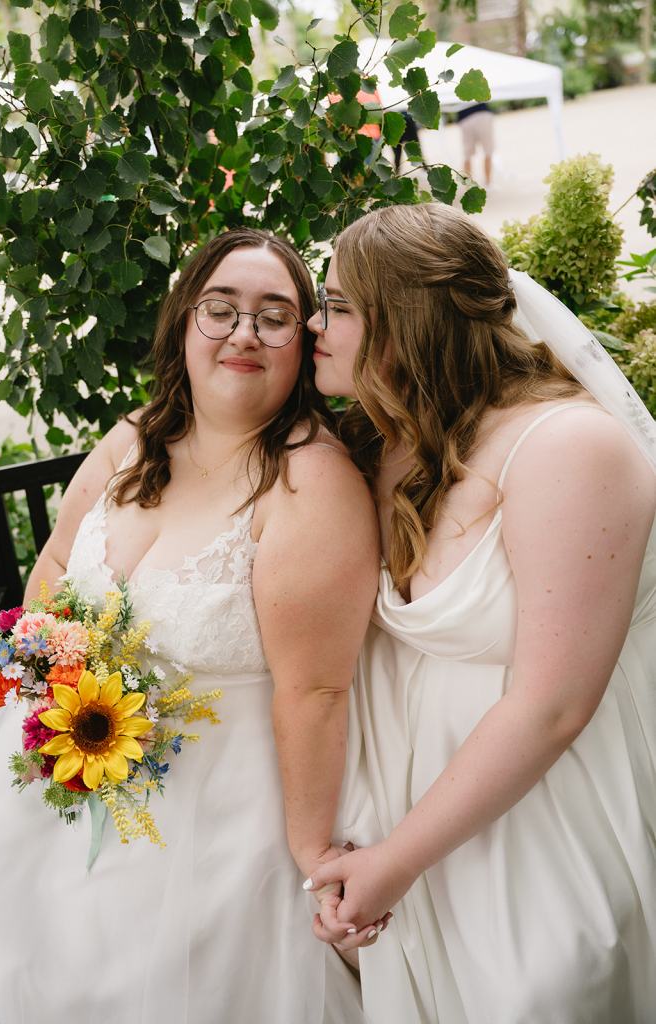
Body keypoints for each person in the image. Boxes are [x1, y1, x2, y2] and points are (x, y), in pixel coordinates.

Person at [0, 228, 380, 1023]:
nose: (243, 334)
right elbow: (53, 566)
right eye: (221, 309)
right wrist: (52, 693)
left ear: (304, 341)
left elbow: (317, 691)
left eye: (274, 316)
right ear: (186, 322)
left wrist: (312, 858)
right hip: (62, 776)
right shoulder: (135, 437)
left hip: (214, 837)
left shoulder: (311, 483)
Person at [303, 203, 656, 1023]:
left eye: (340, 306)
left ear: (408, 321)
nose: (317, 326)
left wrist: (396, 861)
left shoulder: (568, 446)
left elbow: (554, 704)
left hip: (543, 825)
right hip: (411, 826)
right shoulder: (381, 441)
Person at [457, 102, 495, 185]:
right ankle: (488, 182)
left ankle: (469, 185)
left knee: (467, 154)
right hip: (480, 113)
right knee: (487, 150)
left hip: (465, 115)